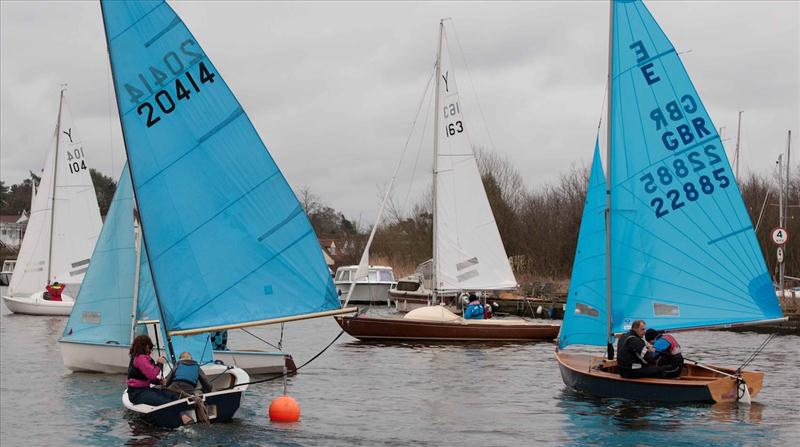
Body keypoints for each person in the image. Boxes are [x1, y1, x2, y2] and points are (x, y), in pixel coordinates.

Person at [127, 335, 174, 406]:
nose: (150, 349)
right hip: (137, 393)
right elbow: (152, 375)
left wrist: (158, 381)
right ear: (146, 346)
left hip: (145, 389)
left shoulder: (141, 358)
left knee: (171, 396)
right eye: (149, 347)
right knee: (165, 402)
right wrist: (159, 364)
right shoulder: (140, 358)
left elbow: (147, 376)